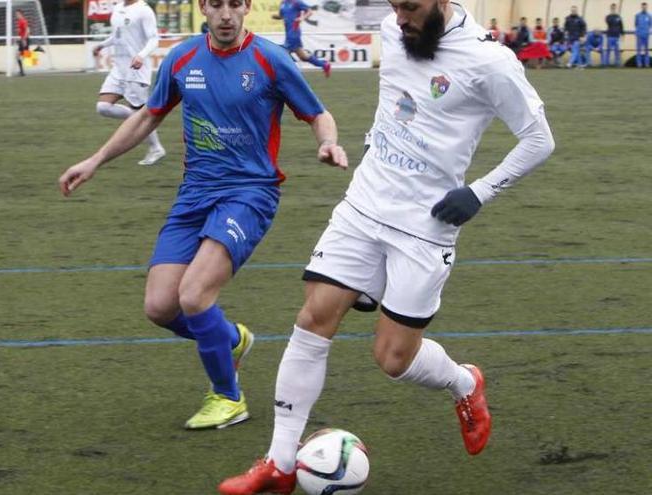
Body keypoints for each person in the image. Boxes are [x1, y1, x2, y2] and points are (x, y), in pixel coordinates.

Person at [218, 0, 555, 492]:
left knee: (393, 358)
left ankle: (465, 382)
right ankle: (280, 463)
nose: (400, 19)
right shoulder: (393, 30)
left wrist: (478, 193)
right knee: (314, 318)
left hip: (426, 224)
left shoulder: (490, 62)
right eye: (396, 6)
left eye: (411, 8)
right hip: (364, 204)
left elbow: (538, 138)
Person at [59, 0, 348, 431]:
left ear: (247, 7)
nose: (226, 14)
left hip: (250, 194)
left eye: (235, 4)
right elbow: (147, 117)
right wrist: (96, 159)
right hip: (194, 194)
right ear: (203, 8)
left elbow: (317, 113)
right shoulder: (182, 58)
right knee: (160, 306)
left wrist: (327, 142)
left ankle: (228, 397)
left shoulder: (270, 58)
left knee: (194, 295)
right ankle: (230, 339)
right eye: (217, 4)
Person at [92, 0, 166, 166]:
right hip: (118, 69)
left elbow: (154, 39)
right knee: (103, 107)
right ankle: (134, 118)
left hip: (136, 70)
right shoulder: (117, 8)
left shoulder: (144, 10)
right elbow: (116, 35)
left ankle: (156, 148)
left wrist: (141, 55)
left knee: (141, 113)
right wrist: (102, 45)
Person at [272, 0, 332, 77]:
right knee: (303, 57)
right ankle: (324, 64)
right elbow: (281, 15)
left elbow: (310, 11)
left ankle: (280, 75)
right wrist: (276, 17)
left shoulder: (296, 2)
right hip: (288, 32)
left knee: (283, 52)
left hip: (294, 32)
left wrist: (302, 18)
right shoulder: (283, 3)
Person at [637, 2, 651, 67]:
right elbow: (636, 24)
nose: (644, 8)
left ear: (646, 7)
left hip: (646, 35)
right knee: (639, 50)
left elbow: (650, 25)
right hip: (639, 35)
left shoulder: (649, 16)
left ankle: (647, 64)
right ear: (641, 7)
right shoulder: (638, 15)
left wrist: (647, 32)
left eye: (645, 7)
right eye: (643, 6)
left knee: (646, 51)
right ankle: (639, 64)